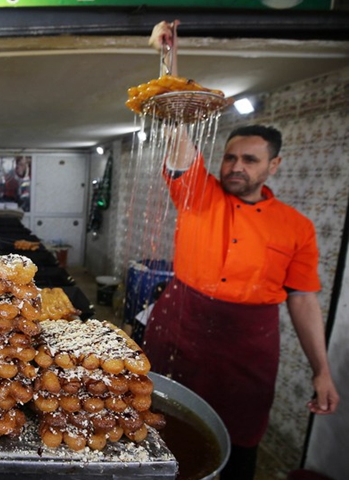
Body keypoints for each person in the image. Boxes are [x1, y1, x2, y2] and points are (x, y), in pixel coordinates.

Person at [142, 21, 339, 480]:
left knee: (237, 437)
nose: (235, 167)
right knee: (157, 420)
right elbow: (178, 130)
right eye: (230, 157)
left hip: (248, 345)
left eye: (249, 160)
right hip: (182, 325)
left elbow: (303, 298)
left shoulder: (297, 227)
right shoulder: (199, 195)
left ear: (274, 165)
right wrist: (169, 60)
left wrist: (321, 371)